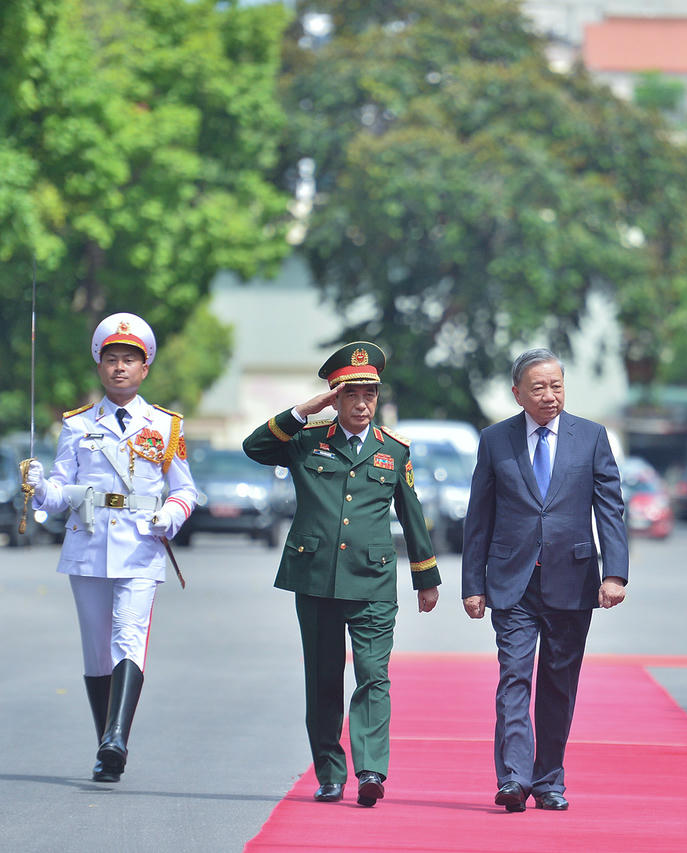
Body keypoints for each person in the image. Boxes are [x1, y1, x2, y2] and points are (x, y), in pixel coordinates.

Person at [243, 341, 440, 807]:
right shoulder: (308, 441)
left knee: (373, 675)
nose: (362, 404)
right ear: (335, 398)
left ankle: (370, 770)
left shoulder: (393, 451)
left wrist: (425, 577)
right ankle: (330, 773)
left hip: (371, 582)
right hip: (315, 580)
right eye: (351, 395)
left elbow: (412, 515)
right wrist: (303, 410)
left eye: (369, 395)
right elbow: (255, 446)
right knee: (324, 678)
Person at [24, 312, 197, 783]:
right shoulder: (78, 425)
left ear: (145, 369)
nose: (120, 367)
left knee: (128, 637)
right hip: (88, 544)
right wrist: (40, 488)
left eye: (130, 360)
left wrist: (170, 515)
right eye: (111, 359)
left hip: (141, 546)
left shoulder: (165, 426)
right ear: (99, 366)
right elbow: (62, 491)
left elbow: (185, 490)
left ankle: (116, 737)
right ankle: (106, 745)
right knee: (96, 652)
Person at [461, 347, 629, 813]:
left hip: (572, 581)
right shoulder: (495, 441)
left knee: (558, 682)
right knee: (513, 675)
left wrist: (614, 573)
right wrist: (472, 583)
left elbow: (609, 509)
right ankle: (514, 778)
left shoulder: (591, 437)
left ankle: (549, 779)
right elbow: (479, 517)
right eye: (538, 387)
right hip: (512, 582)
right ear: (517, 393)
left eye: (556, 385)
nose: (549, 395)